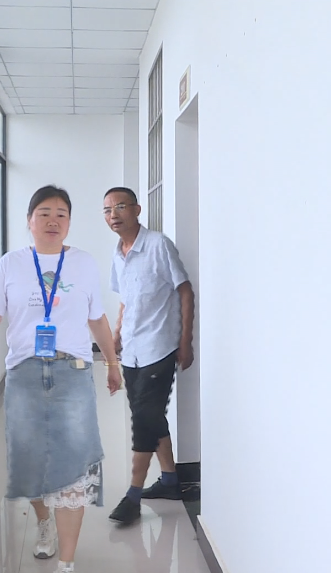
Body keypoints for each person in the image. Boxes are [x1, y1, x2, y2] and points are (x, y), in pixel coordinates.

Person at [0, 185, 122, 573]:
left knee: (73, 466)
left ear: (69, 222)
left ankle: (66, 563)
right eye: (44, 213)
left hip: (72, 372)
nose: (53, 220)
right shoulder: (11, 264)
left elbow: (97, 319)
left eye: (61, 214)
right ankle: (44, 522)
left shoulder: (84, 263)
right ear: (29, 221)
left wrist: (112, 362)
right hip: (24, 373)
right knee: (31, 461)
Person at [101, 187, 196, 526]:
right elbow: (125, 301)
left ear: (137, 209)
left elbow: (185, 290)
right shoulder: (117, 254)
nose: (113, 214)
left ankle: (133, 496)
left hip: (159, 347)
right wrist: (116, 336)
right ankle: (170, 481)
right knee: (151, 417)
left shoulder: (158, 245)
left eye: (120, 207)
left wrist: (186, 340)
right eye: (107, 210)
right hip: (132, 352)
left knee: (144, 421)